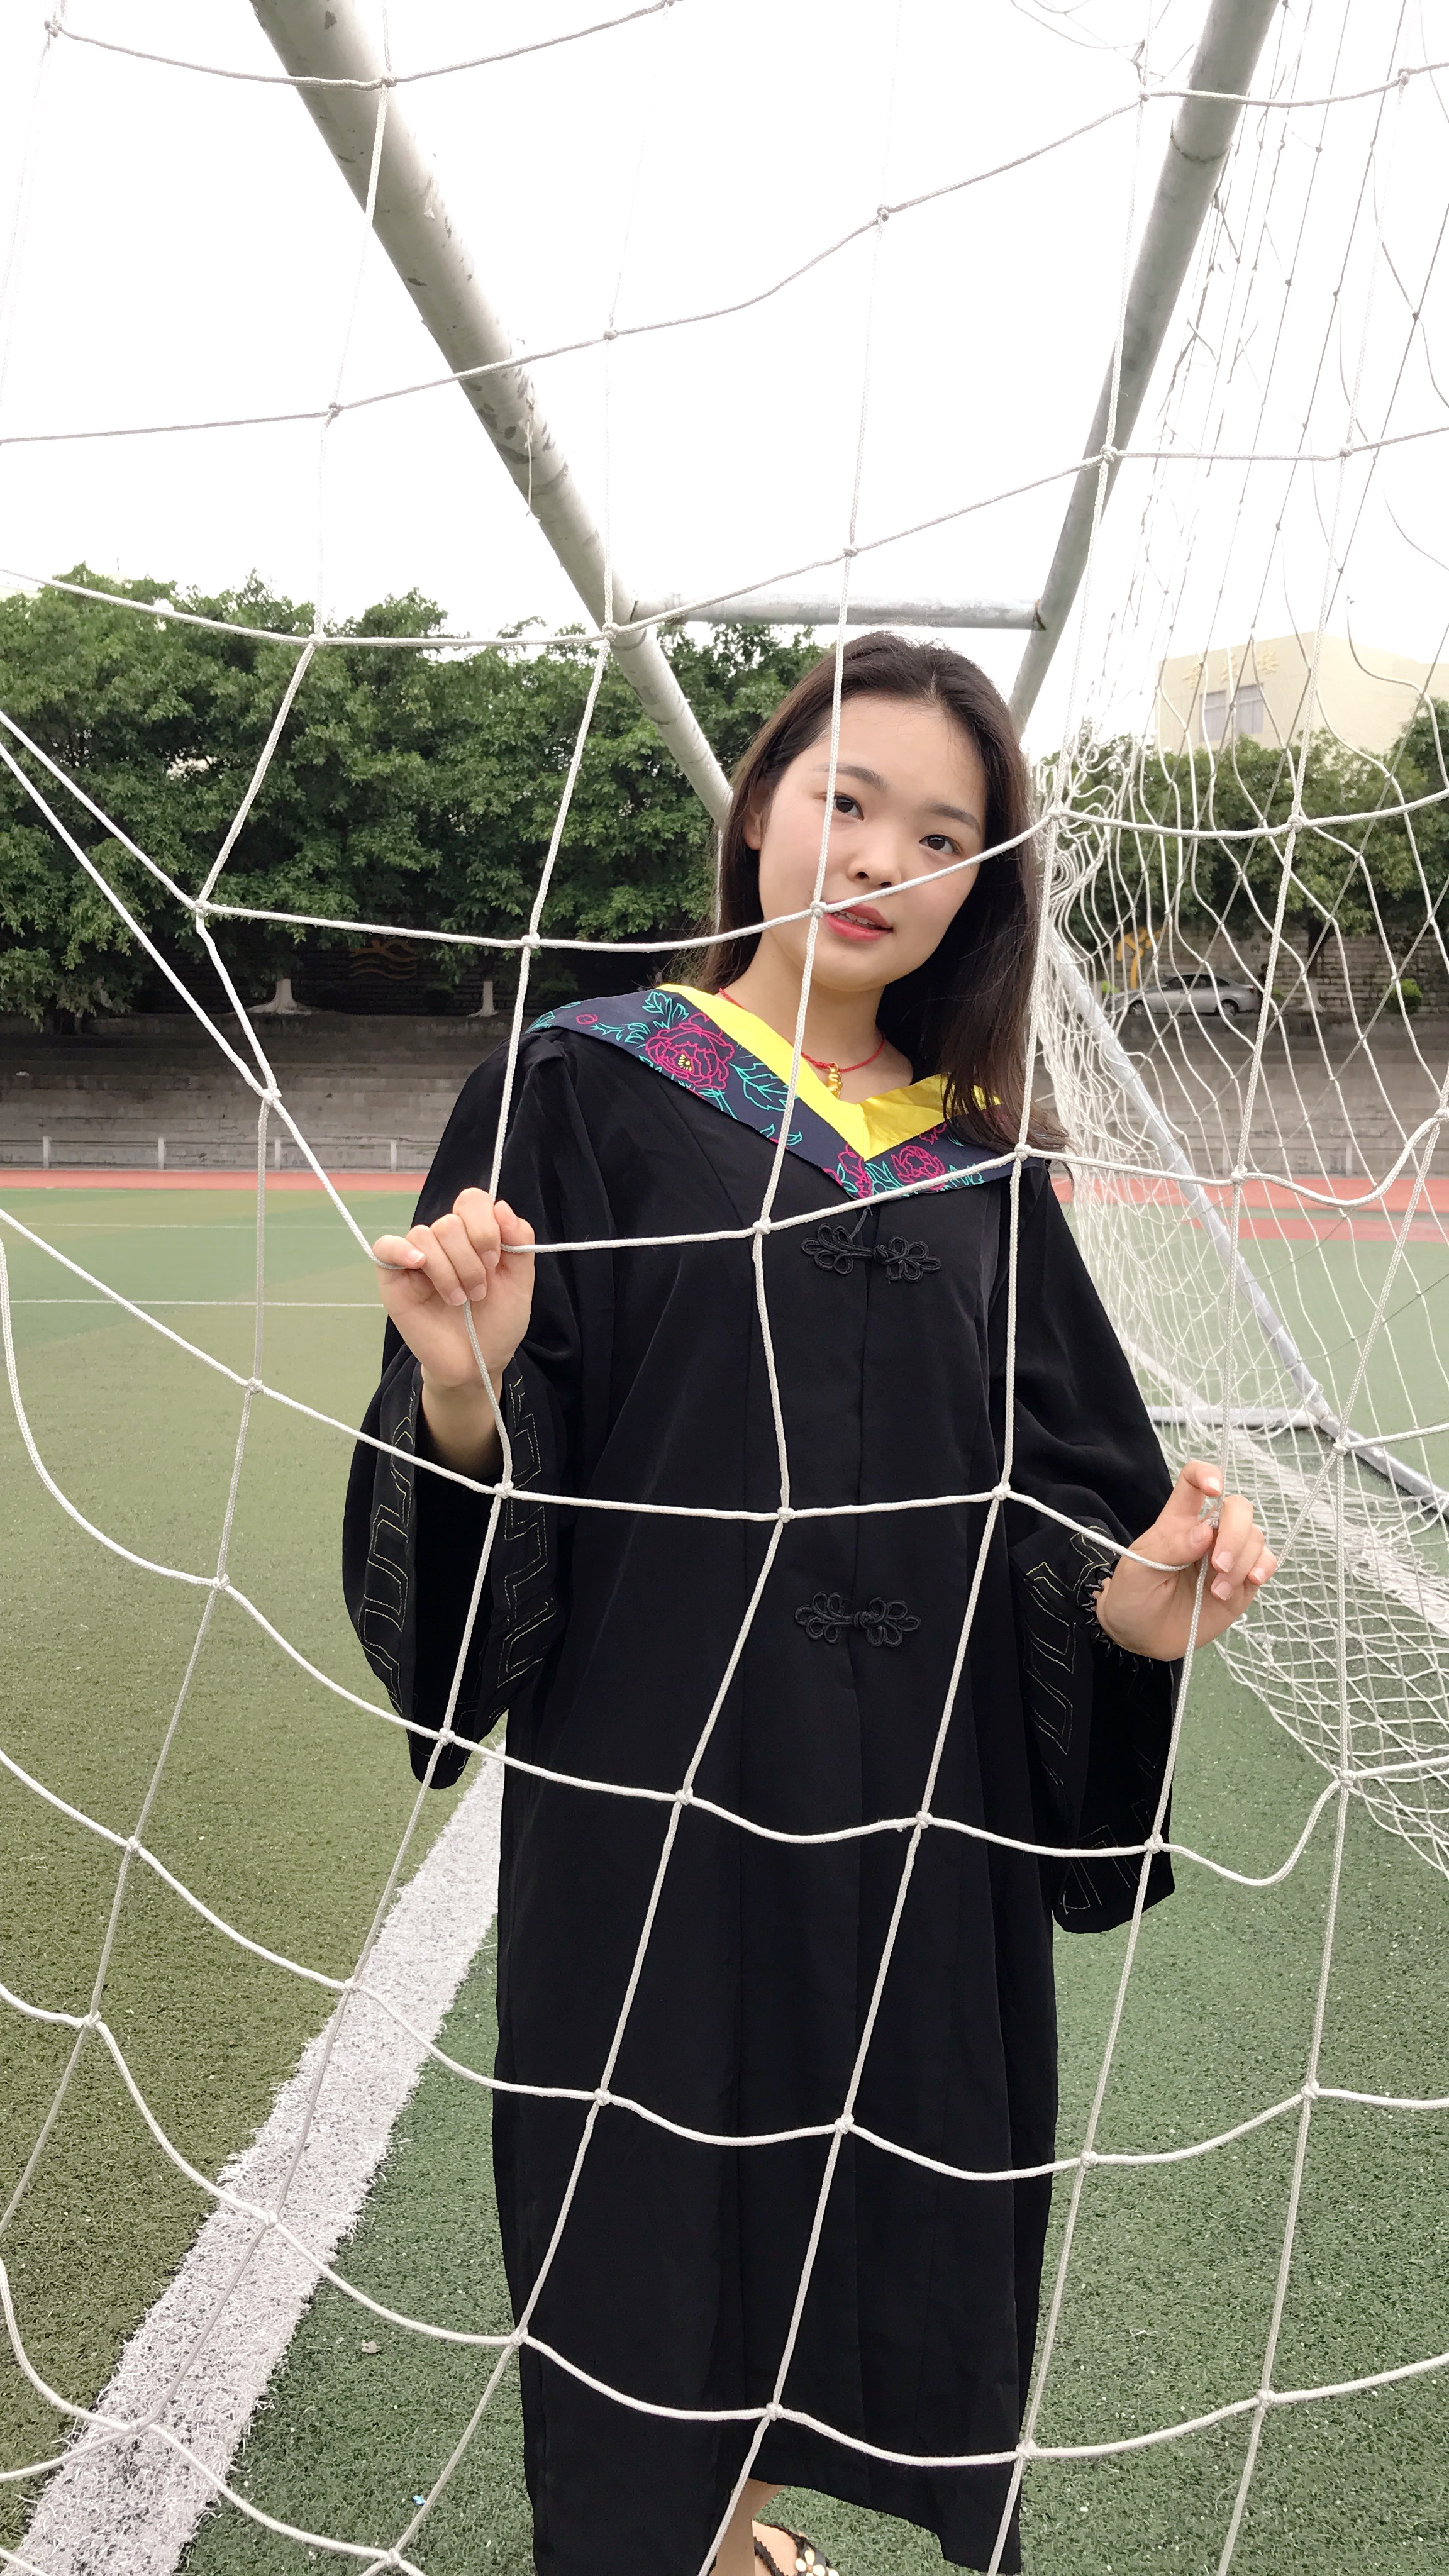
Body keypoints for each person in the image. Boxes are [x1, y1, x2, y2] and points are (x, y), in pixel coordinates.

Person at [344, 635, 1275, 2576]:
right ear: (761, 806)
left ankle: (746, 2522)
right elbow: (475, 1486)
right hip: (660, 1790)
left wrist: (1139, 1609)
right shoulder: (583, 1085)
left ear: (981, 886)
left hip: (919, 1807)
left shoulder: (984, 1172)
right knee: (656, 2206)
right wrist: (464, 1385)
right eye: (844, 799)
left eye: (940, 833)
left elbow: (1065, 1509)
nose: (879, 857)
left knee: (868, 2184)